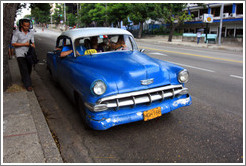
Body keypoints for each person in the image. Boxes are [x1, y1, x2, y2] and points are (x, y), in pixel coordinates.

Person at [12, 19, 35, 91]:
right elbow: (13, 43)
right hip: (20, 54)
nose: (26, 27)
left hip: (29, 54)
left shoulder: (31, 32)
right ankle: (28, 85)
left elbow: (33, 42)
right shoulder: (17, 32)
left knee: (29, 69)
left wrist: (33, 45)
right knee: (24, 69)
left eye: (28, 26)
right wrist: (24, 44)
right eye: (25, 26)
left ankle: (24, 79)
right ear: (22, 25)